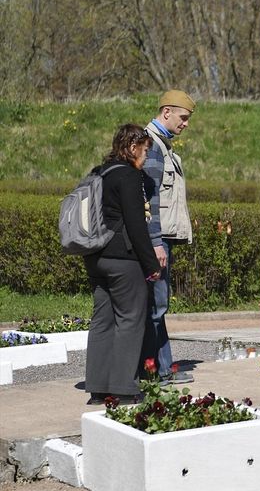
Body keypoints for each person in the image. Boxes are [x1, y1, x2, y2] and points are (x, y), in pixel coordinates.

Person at [84, 124, 162, 404]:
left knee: (103, 321)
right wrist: (151, 263)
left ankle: (97, 388)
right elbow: (136, 223)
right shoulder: (129, 175)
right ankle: (124, 389)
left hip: (95, 257)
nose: (145, 156)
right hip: (122, 259)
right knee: (130, 319)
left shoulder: (99, 173)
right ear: (132, 147)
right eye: (144, 150)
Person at [142, 90, 195, 384]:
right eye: (183, 117)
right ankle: (154, 372)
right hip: (157, 240)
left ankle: (162, 368)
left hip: (160, 239)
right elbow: (149, 199)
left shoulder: (162, 145)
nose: (185, 124)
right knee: (156, 305)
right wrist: (155, 241)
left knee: (158, 306)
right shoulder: (152, 147)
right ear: (166, 112)